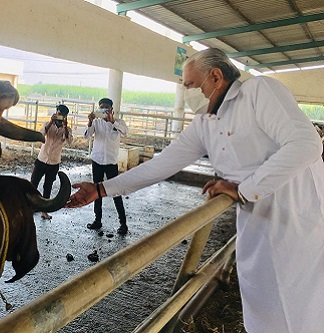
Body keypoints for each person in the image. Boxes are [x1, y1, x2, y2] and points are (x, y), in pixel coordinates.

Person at [67, 48, 324, 333]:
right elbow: (161, 165)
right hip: (258, 230)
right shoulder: (204, 125)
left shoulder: (258, 92)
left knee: (306, 310)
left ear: (215, 76)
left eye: (190, 84)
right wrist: (101, 189)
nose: (186, 92)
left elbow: (306, 144)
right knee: (266, 310)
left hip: (303, 224)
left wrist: (243, 188)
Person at [84, 98, 128, 235]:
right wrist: (90, 122)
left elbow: (126, 132)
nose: (104, 110)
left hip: (111, 162)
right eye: (101, 108)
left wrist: (112, 121)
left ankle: (123, 223)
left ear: (111, 110)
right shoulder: (96, 122)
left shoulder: (118, 122)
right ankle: (97, 220)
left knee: (115, 192)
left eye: (106, 108)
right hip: (97, 160)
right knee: (97, 191)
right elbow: (87, 135)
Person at [31, 104, 73, 219]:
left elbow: (70, 141)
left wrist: (65, 127)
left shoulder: (67, 129)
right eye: (58, 113)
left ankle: (44, 211)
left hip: (54, 162)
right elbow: (42, 134)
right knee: (33, 183)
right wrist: (50, 122)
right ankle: (30, 206)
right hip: (41, 159)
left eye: (62, 115)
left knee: (48, 186)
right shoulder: (47, 125)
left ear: (65, 117)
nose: (60, 116)